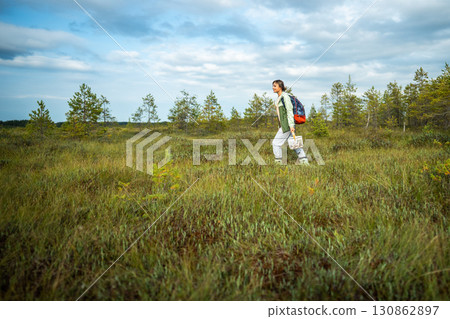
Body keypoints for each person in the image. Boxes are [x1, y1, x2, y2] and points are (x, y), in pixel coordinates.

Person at [271, 79, 309, 165]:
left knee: (276, 143)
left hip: (287, 125)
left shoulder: (285, 97)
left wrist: (291, 125)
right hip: (284, 125)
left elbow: (289, 111)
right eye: (273, 86)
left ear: (280, 87)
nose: (273, 88)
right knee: (295, 144)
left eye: (275, 86)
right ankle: (305, 163)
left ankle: (278, 164)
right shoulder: (279, 98)